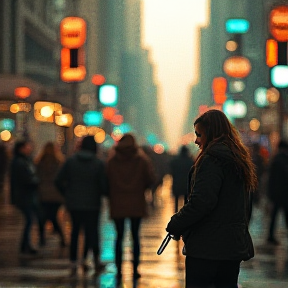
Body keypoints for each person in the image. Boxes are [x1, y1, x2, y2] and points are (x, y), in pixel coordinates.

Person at [165, 110, 257, 288]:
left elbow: (202, 202)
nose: (196, 140)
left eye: (199, 135)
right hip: (232, 247)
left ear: (211, 132)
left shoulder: (211, 160)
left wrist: (176, 223)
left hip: (207, 249)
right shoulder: (238, 159)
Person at [106, 133, 155, 286]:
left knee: (119, 237)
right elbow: (151, 179)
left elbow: (105, 180)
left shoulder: (112, 161)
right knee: (135, 237)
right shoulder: (141, 160)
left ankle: (119, 269)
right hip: (136, 203)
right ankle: (135, 269)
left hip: (118, 203)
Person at [54, 136, 107, 276]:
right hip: (93, 203)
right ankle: (93, 259)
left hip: (74, 203)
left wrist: (67, 193)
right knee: (92, 232)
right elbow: (104, 185)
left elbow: (58, 180)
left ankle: (73, 260)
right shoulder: (98, 163)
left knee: (75, 231)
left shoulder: (71, 161)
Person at [10, 139, 44, 254]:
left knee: (30, 220)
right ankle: (25, 246)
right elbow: (25, 179)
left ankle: (25, 245)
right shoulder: (20, 162)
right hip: (24, 196)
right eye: (27, 146)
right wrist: (36, 181)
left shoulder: (24, 160)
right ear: (21, 148)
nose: (30, 148)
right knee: (29, 219)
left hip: (26, 195)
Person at [35, 142, 66, 247]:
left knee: (43, 218)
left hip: (42, 194)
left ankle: (42, 239)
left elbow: (36, 178)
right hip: (56, 195)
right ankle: (62, 238)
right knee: (53, 216)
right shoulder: (59, 162)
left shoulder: (39, 162)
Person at [266, 140, 288, 245]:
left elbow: (271, 179)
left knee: (274, 216)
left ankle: (270, 236)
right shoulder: (283, 160)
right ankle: (270, 236)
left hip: (276, 193)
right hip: (283, 193)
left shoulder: (276, 159)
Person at [170, 145, 194, 213]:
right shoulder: (190, 161)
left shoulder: (175, 161)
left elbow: (171, 170)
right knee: (186, 202)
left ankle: (176, 213)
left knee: (176, 201)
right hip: (186, 184)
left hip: (177, 183)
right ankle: (184, 215)